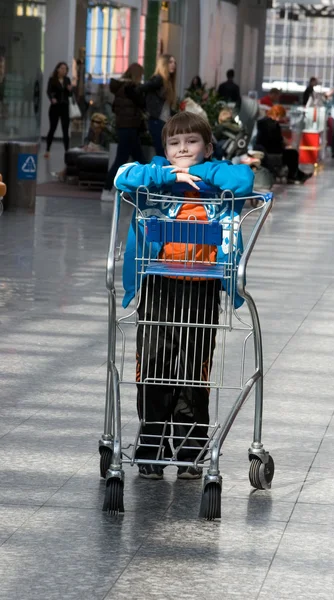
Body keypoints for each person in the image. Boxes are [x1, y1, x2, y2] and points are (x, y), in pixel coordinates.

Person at [114, 112, 254, 480]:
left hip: (203, 286)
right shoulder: (159, 175)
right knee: (154, 367)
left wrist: (202, 172)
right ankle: (152, 444)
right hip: (160, 284)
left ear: (208, 147)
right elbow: (122, 176)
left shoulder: (218, 176)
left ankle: (192, 448)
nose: (182, 149)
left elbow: (244, 180)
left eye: (191, 142)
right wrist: (168, 174)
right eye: (174, 143)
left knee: (194, 370)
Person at [101, 63, 145, 201]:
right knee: (122, 160)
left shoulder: (120, 88)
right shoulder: (131, 88)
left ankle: (138, 191)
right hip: (130, 128)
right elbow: (142, 103)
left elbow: (115, 108)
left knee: (139, 160)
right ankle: (107, 189)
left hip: (124, 127)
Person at [255, 104, 312, 184]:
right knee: (293, 154)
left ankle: (298, 175)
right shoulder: (273, 125)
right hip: (271, 150)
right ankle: (293, 176)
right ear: (277, 114)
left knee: (292, 153)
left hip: (265, 148)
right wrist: (284, 145)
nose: (282, 118)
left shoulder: (262, 122)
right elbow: (276, 140)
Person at [134, 54, 177, 157]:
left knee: (165, 153)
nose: (173, 65)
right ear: (164, 64)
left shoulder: (168, 82)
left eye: (174, 62)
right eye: (170, 62)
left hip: (163, 122)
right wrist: (145, 108)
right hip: (157, 121)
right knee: (162, 153)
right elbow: (139, 89)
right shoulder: (158, 79)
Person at [56, 113, 110, 182]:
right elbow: (87, 139)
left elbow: (107, 148)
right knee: (74, 152)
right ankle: (67, 173)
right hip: (89, 149)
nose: (94, 124)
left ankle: (63, 173)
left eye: (97, 122)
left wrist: (97, 149)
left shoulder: (105, 134)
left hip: (98, 152)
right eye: (93, 121)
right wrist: (86, 145)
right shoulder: (91, 130)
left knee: (81, 154)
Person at [44, 62, 72, 158]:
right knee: (52, 128)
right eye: (62, 68)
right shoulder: (53, 79)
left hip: (64, 107)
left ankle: (67, 151)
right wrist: (52, 98)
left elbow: (70, 95)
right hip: (55, 107)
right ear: (58, 69)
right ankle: (47, 149)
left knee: (65, 130)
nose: (64, 70)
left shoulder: (67, 80)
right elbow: (48, 91)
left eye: (65, 69)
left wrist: (70, 90)